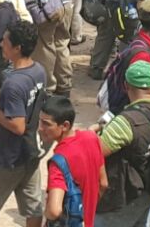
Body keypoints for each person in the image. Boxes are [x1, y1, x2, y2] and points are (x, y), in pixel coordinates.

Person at [0, 21, 47, 227]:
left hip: (7, 157)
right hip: (30, 152)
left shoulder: (13, 83)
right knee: (33, 206)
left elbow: (17, 126)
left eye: (5, 42)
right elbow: (23, 105)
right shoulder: (38, 70)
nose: (1, 45)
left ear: (17, 48)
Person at [98, 59, 150, 227]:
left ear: (126, 86)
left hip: (126, 193)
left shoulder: (126, 122)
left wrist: (91, 133)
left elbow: (96, 153)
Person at [40, 95, 107, 226]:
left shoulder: (58, 162)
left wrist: (46, 213)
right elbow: (103, 183)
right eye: (40, 121)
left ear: (65, 125)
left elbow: (54, 210)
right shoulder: (91, 138)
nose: (40, 128)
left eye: (46, 124)